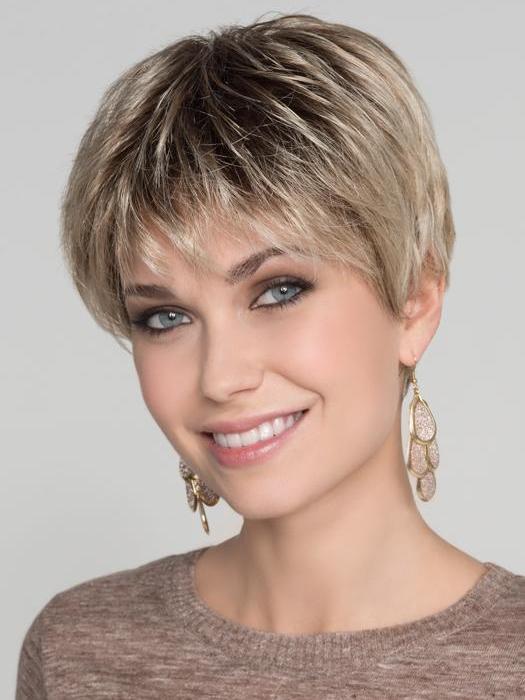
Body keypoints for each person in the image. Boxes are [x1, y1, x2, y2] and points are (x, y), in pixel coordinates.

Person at [16, 12, 524, 698]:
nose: (221, 377)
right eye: (165, 317)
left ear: (413, 302)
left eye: (278, 291)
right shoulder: (79, 651)